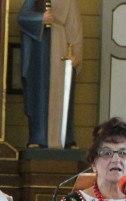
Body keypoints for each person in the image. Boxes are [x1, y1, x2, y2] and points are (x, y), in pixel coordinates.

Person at [18, 0, 83, 148]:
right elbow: (22, 17)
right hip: (40, 53)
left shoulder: (70, 3)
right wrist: (40, 19)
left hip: (62, 49)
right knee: (39, 94)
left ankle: (66, 139)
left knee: (63, 95)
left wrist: (77, 54)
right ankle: (38, 137)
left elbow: (75, 29)